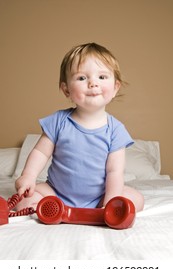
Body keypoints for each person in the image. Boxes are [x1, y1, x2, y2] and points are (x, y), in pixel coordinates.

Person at [15, 42, 144, 212]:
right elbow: (40, 152)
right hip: (56, 193)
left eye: (102, 77)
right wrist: (28, 176)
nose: (93, 83)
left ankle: (102, 210)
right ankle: (51, 209)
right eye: (82, 78)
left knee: (136, 199)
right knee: (25, 200)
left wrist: (110, 202)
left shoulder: (116, 130)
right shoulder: (58, 121)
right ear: (66, 89)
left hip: (99, 198)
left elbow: (114, 171)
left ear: (115, 88)